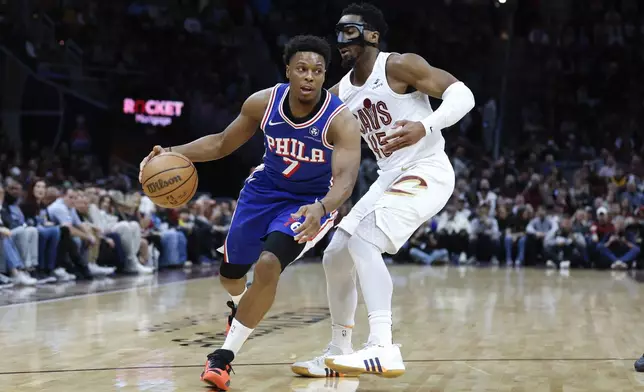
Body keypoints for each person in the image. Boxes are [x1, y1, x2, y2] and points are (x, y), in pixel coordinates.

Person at [138, 35, 361, 391]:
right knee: (230, 275)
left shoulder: (340, 120)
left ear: (324, 76)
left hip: (310, 202)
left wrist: (323, 208)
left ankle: (222, 358)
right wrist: (168, 151)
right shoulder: (263, 103)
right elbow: (221, 143)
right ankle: (241, 308)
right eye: (302, 69)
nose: (309, 77)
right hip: (262, 192)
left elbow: (347, 179)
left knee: (269, 264)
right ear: (288, 71)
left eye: (318, 71)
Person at [291, 3, 474, 379]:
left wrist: (427, 126)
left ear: (372, 35)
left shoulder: (398, 66)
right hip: (387, 176)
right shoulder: (339, 93)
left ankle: (382, 346)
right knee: (336, 255)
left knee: (364, 241)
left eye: (349, 31)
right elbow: (320, 145)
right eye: (337, 32)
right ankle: (338, 352)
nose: (340, 40)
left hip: (427, 168)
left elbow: (463, 95)